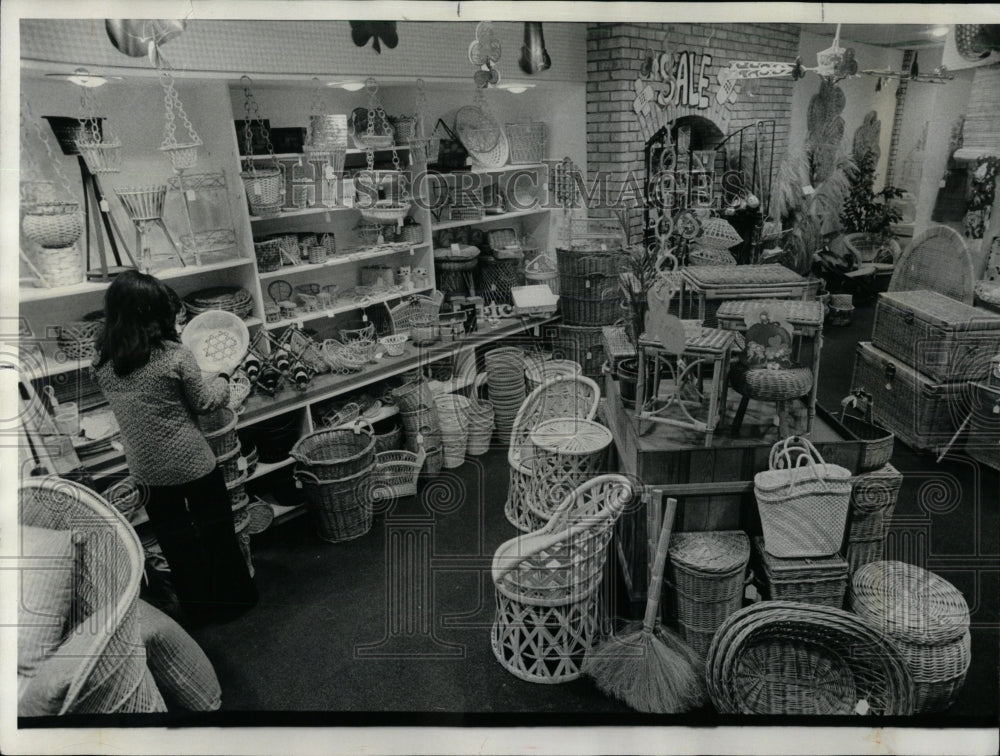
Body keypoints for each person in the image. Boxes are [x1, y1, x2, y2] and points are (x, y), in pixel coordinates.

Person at [93, 270, 256, 626]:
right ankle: (236, 601)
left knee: (176, 543)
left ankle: (198, 611)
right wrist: (227, 375)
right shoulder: (174, 356)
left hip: (146, 469)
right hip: (192, 462)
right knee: (216, 532)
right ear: (153, 313)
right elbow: (206, 403)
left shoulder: (103, 361)